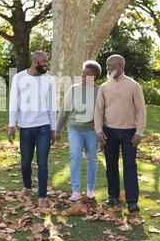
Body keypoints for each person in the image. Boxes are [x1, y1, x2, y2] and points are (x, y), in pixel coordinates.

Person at [94, 54, 146, 213]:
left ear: (121, 67)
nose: (108, 68)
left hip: (129, 133)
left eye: (111, 66)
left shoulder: (134, 85)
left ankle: (132, 201)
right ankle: (113, 196)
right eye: (107, 65)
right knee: (111, 166)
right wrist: (99, 130)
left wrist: (139, 132)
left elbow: (141, 110)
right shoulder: (104, 87)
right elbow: (98, 111)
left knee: (130, 166)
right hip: (109, 132)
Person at [8, 50, 56, 207]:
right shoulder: (19, 78)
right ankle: (27, 187)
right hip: (25, 127)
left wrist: (53, 129)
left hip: (43, 126)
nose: (46, 65)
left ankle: (42, 195)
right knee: (25, 162)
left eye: (46, 61)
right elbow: (13, 102)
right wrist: (11, 125)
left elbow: (52, 105)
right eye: (44, 62)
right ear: (35, 62)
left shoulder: (49, 80)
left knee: (42, 161)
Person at [56, 61, 101, 201]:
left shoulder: (99, 91)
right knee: (75, 155)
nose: (83, 75)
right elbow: (64, 111)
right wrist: (57, 130)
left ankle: (90, 190)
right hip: (74, 128)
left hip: (92, 130)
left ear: (95, 77)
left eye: (88, 74)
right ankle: (75, 190)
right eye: (83, 72)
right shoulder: (74, 89)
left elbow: (103, 113)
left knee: (92, 158)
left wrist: (102, 132)